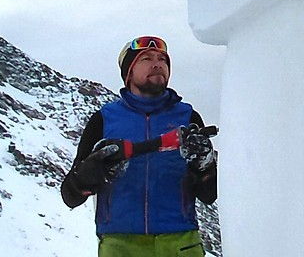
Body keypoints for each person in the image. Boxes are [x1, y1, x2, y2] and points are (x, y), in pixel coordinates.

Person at [61, 36, 217, 256]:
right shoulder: (103, 121)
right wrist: (88, 174)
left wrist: (205, 166)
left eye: (162, 59)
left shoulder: (189, 118)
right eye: (146, 58)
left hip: (181, 243)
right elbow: (70, 196)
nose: (157, 63)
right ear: (129, 73)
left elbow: (209, 195)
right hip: (120, 245)